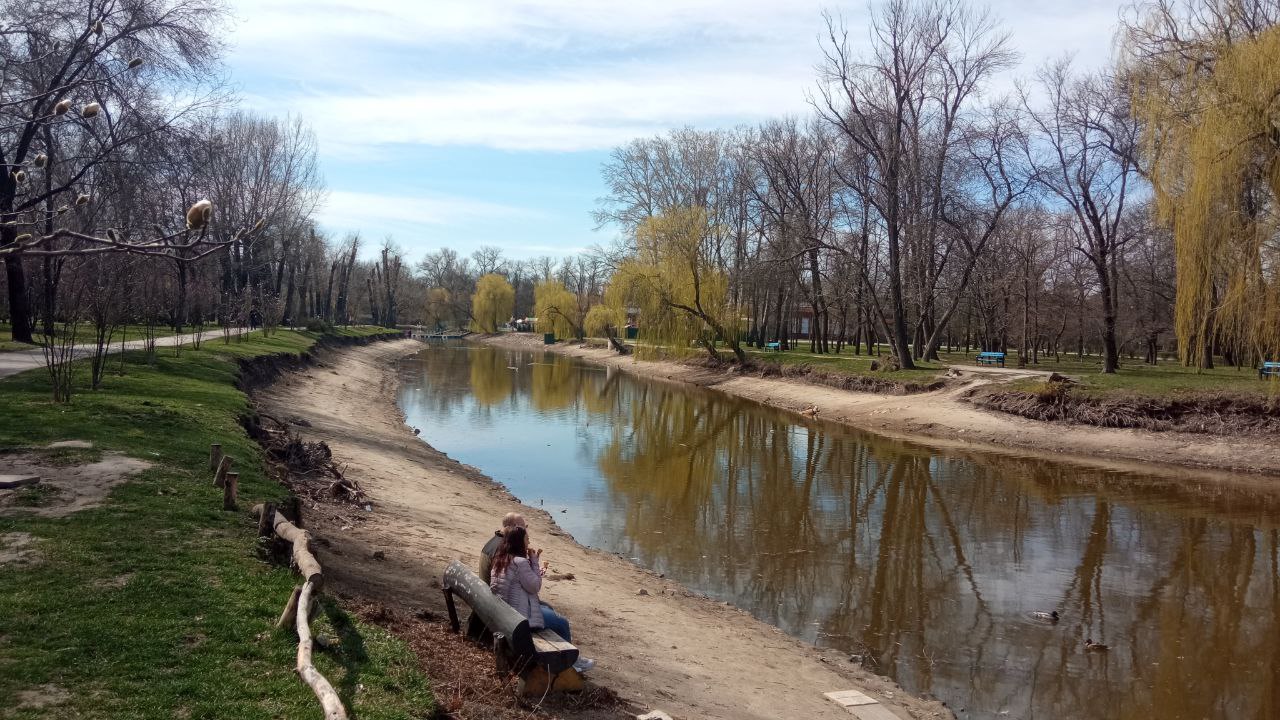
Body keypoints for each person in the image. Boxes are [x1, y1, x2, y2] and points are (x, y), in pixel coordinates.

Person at [490, 526, 595, 674]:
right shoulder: (519, 562)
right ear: (519, 542)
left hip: (507, 614)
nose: (529, 541)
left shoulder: (500, 559)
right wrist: (533, 561)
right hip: (520, 619)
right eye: (527, 539)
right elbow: (535, 586)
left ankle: (566, 657)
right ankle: (570, 663)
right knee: (562, 622)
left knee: (548, 609)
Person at [479, 512, 526, 585]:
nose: (525, 531)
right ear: (514, 527)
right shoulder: (505, 547)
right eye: (523, 527)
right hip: (490, 593)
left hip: (484, 588)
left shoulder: (494, 541)